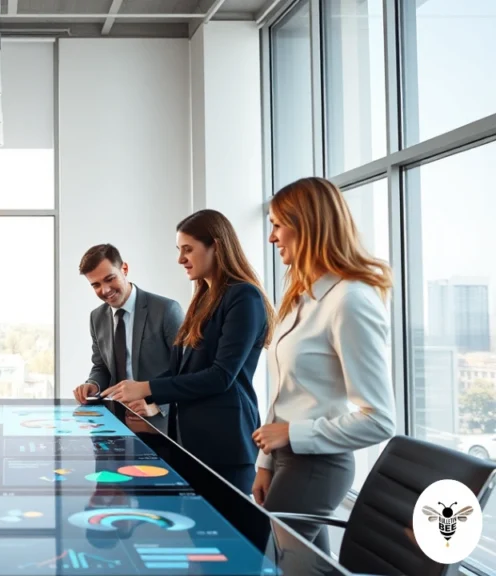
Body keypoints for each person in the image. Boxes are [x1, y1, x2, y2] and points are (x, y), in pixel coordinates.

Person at [251, 177, 396, 553]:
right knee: (307, 569)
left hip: (316, 466)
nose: (271, 237)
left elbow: (380, 420)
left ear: (307, 225)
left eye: (277, 225)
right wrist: (266, 462)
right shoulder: (301, 297)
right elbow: (285, 393)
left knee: (266, 561)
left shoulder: (351, 301)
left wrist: (290, 434)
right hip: (287, 461)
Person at [104, 209, 275, 493]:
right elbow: (182, 371)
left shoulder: (244, 296)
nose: (180, 259)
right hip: (190, 444)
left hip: (225, 446)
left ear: (216, 246)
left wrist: (146, 388)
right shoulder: (203, 299)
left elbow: (221, 376)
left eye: (188, 249)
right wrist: (142, 395)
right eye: (179, 250)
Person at [72, 244, 184, 434]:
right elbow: (101, 367)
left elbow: (186, 370)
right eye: (96, 285)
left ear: (124, 269)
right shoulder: (96, 317)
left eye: (109, 279)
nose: (105, 290)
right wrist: (93, 385)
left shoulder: (167, 310)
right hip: (113, 426)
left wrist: (156, 404)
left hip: (159, 426)